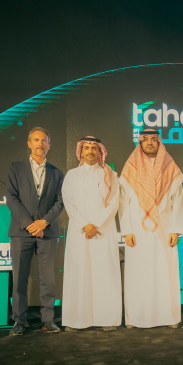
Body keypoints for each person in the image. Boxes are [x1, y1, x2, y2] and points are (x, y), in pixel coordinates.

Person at [119, 129, 183, 328]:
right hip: (138, 231)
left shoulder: (169, 166)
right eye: (145, 139)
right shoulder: (131, 167)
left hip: (164, 230)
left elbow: (178, 199)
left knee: (165, 274)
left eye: (153, 140)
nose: (149, 143)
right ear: (140, 142)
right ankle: (136, 318)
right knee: (138, 274)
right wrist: (127, 231)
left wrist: (175, 229)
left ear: (159, 143)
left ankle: (168, 317)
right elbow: (123, 202)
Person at [6, 127, 65, 335]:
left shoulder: (57, 172)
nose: (40, 144)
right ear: (29, 143)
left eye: (44, 141)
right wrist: (29, 224)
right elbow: (11, 198)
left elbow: (60, 201)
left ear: (49, 145)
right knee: (19, 279)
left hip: (47, 232)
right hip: (21, 231)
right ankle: (19, 321)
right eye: (36, 140)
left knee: (48, 280)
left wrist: (43, 223)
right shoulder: (16, 168)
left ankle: (48, 320)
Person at [61, 136, 122, 332]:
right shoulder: (72, 175)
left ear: (100, 151)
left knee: (104, 274)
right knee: (79, 274)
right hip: (80, 233)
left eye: (94, 148)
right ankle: (76, 320)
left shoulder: (110, 175)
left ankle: (107, 319)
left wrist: (96, 225)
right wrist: (85, 225)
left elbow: (114, 203)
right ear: (80, 151)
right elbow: (69, 203)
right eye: (86, 148)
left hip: (103, 232)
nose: (90, 151)